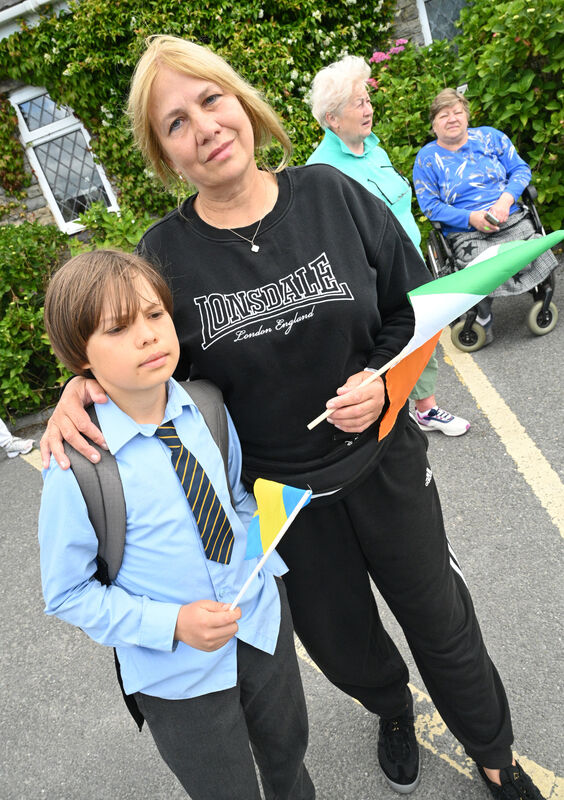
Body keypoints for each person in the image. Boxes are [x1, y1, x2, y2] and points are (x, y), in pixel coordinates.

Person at [40, 36, 547, 800]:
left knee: (441, 622)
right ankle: (389, 707)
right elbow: (135, 357)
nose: (204, 126)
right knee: (343, 650)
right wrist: (78, 392)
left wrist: (383, 382)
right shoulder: (163, 255)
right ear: (165, 154)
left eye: (211, 99)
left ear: (242, 104)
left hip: (385, 465)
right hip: (280, 506)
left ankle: (494, 752)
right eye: (175, 122)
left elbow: (414, 314)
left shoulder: (332, 195)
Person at [38, 249, 314, 800]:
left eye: (155, 315)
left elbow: (235, 498)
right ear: (80, 357)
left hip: (260, 627)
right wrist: (171, 624)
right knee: (224, 787)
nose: (147, 336)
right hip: (177, 675)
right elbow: (67, 593)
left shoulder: (208, 406)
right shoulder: (76, 468)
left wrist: (265, 568)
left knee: (288, 755)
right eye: (118, 328)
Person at [306, 56, 469, 437]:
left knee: (424, 336)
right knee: (398, 342)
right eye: (358, 103)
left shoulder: (375, 151)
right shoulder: (322, 172)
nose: (368, 109)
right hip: (376, 278)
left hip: (410, 263)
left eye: (368, 99)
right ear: (332, 118)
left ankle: (421, 408)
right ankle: (407, 413)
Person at [413, 87, 558, 343]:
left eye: (457, 112)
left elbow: (521, 170)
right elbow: (431, 206)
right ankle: (482, 315)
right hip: (466, 230)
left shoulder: (490, 138)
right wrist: (471, 218)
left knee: (529, 249)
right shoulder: (427, 159)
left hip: (508, 217)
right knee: (481, 264)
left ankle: (537, 290)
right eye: (444, 115)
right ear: (433, 124)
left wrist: (506, 199)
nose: (452, 119)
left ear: (467, 116)